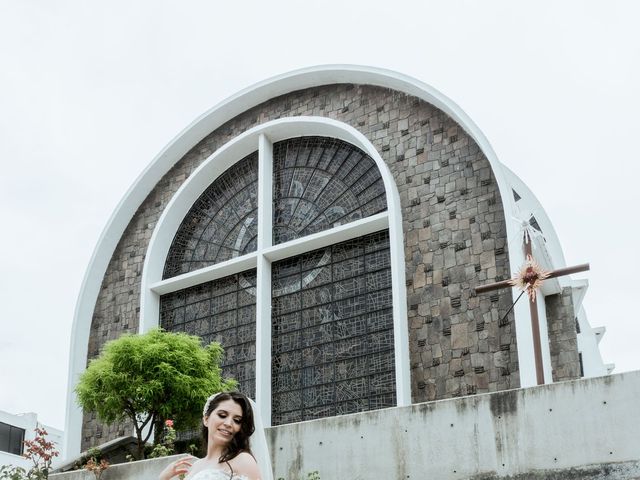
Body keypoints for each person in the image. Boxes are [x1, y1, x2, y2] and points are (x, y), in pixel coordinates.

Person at [159, 392, 263, 480]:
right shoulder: (194, 466)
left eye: (237, 420)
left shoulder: (243, 460)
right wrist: (163, 477)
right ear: (206, 419)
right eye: (222, 415)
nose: (228, 423)